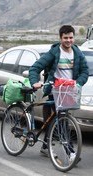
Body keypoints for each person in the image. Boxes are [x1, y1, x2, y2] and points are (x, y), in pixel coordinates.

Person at [28, 24, 89, 157]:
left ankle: (45, 147)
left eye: (71, 37)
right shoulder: (54, 53)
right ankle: (71, 153)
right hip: (54, 90)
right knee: (62, 121)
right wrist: (34, 82)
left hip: (69, 91)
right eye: (65, 37)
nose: (69, 40)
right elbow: (35, 68)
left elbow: (85, 71)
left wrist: (78, 83)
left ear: (74, 38)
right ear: (60, 38)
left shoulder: (77, 53)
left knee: (56, 119)